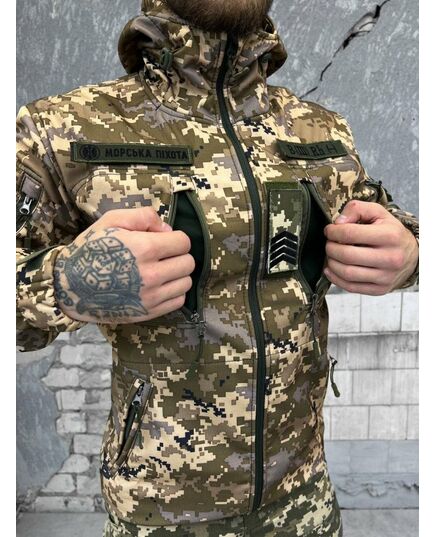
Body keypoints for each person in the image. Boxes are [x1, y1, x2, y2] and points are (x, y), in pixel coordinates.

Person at [16, 0, 419, 535]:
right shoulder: (61, 129)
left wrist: (411, 254)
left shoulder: (317, 128)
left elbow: (390, 223)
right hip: (161, 510)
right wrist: (66, 285)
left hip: (304, 498)